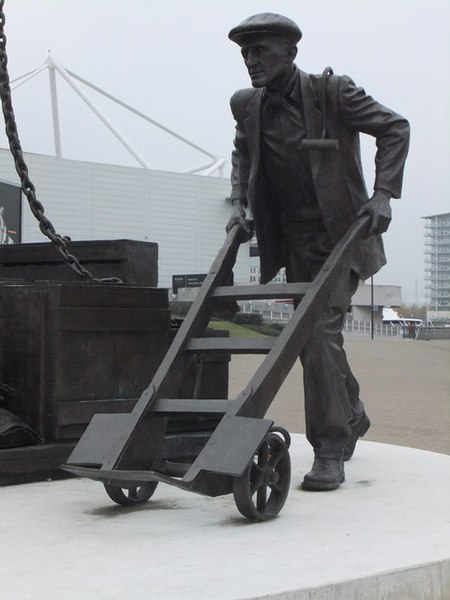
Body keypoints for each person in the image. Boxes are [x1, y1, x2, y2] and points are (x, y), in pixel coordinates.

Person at [226, 13, 410, 491]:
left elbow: (394, 128)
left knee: (316, 333)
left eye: (260, 51)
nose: (251, 61)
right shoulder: (248, 106)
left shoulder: (333, 95)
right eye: (245, 53)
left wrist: (384, 193)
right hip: (295, 243)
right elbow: (242, 153)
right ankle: (352, 412)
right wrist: (239, 205)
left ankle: (330, 448)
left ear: (290, 52)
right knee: (316, 339)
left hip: (344, 236)